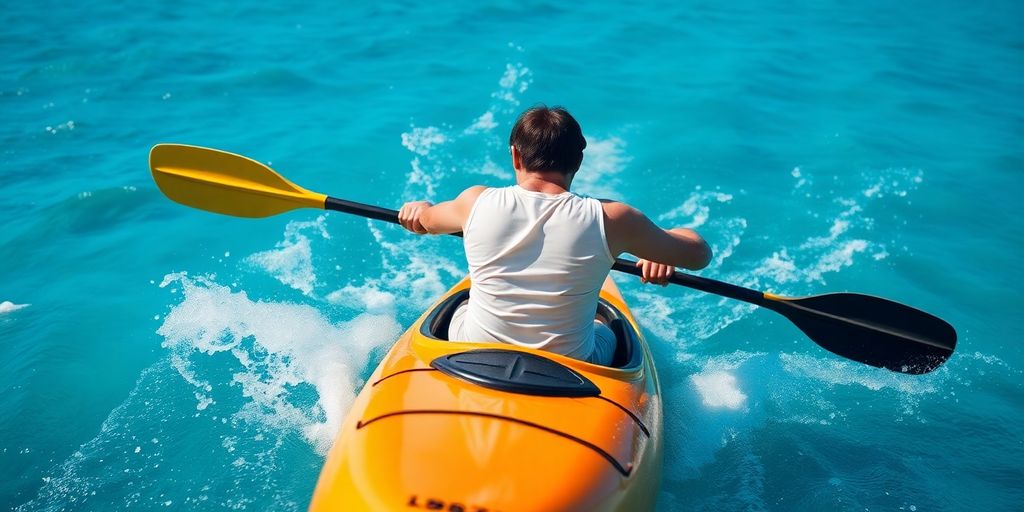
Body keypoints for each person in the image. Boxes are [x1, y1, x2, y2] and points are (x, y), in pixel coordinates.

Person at [398, 106, 711, 366]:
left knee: (460, 305)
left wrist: (419, 210)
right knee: (607, 328)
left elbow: (425, 221)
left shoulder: (474, 202)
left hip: (475, 347)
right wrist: (657, 252)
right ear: (578, 161)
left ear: (515, 156)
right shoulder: (614, 219)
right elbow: (698, 254)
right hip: (571, 362)